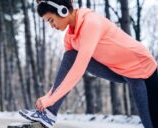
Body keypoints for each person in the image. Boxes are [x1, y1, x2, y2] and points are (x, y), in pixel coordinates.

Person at [18, 0, 158, 128]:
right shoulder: (70, 38)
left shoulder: (91, 23)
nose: (52, 25)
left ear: (62, 11)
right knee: (70, 56)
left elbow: (79, 69)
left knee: (150, 122)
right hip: (119, 70)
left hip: (142, 69)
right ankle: (49, 114)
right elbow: (67, 71)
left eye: (51, 20)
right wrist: (49, 99)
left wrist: (51, 98)